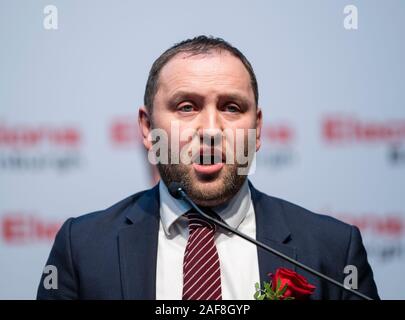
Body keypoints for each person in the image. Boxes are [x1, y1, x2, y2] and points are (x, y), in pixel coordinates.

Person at [37, 36, 379, 300]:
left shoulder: (333, 250)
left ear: (257, 130)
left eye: (231, 107)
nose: (212, 129)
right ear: (147, 128)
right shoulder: (81, 247)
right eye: (186, 107)